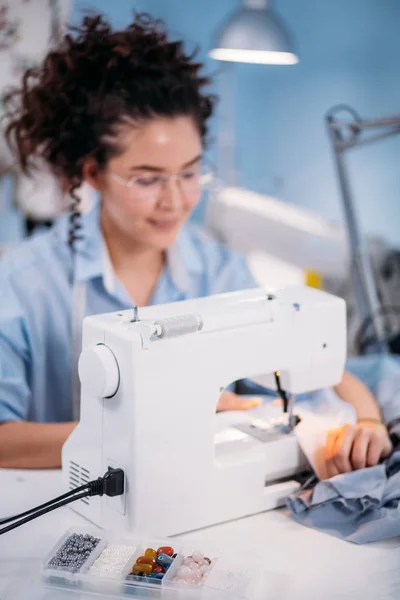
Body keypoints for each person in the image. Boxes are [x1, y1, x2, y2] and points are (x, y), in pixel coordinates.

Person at [0, 13, 392, 473]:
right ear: (92, 174)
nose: (176, 201)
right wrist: (155, 425)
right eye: (148, 180)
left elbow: (318, 370)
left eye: (189, 173)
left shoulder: (219, 271)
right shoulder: (24, 286)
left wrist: (368, 421)